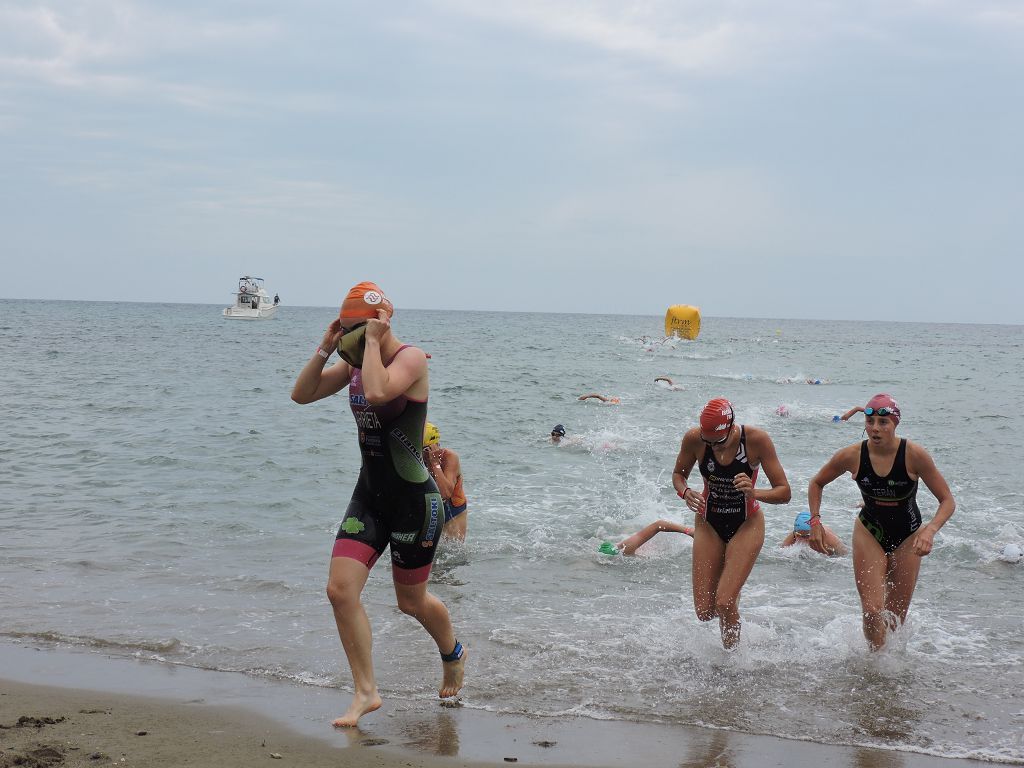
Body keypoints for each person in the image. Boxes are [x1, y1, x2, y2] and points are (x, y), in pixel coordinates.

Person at [290, 281, 465, 727]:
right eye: (343, 328)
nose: (348, 337)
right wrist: (326, 347)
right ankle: (366, 691)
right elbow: (302, 394)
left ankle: (452, 652)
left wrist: (370, 341)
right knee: (339, 591)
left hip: (414, 501)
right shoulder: (353, 362)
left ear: (383, 321)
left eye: (355, 328)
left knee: (412, 602)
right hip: (369, 496)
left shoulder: (409, 357)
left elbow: (381, 390)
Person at [808, 394, 955, 650]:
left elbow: (947, 501)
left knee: (895, 619)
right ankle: (873, 664)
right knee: (872, 610)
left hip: (908, 535)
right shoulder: (851, 455)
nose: (875, 428)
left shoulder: (914, 455)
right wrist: (815, 521)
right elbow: (816, 482)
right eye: (870, 421)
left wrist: (930, 531)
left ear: (895, 424)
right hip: (870, 531)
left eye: (883, 422)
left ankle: (888, 671)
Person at [673, 397, 791, 648]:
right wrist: (685, 492)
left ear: (731, 427)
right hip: (708, 522)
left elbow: (784, 492)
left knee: (724, 602)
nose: (713, 447)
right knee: (705, 612)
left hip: (746, 522)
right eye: (708, 442)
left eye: (718, 441)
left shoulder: (756, 440)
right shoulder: (694, 438)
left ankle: (733, 661)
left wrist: (754, 491)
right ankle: (732, 594)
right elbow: (678, 475)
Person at [423, 422, 468, 542]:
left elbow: (446, 493)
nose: (422, 455)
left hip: (453, 510)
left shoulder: (449, 457)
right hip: (428, 509)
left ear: (435, 446)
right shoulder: (414, 458)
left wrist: (434, 463)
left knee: (453, 553)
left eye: (425, 450)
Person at [600, 520, 694, 556]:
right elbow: (658, 525)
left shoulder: (627, 550)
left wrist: (688, 531)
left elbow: (658, 525)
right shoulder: (629, 551)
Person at [781, 511, 847, 556]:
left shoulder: (828, 537)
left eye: (807, 536)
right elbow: (781, 551)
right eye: (799, 536)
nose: (803, 539)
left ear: (814, 532)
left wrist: (828, 551)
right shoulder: (794, 535)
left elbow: (844, 554)